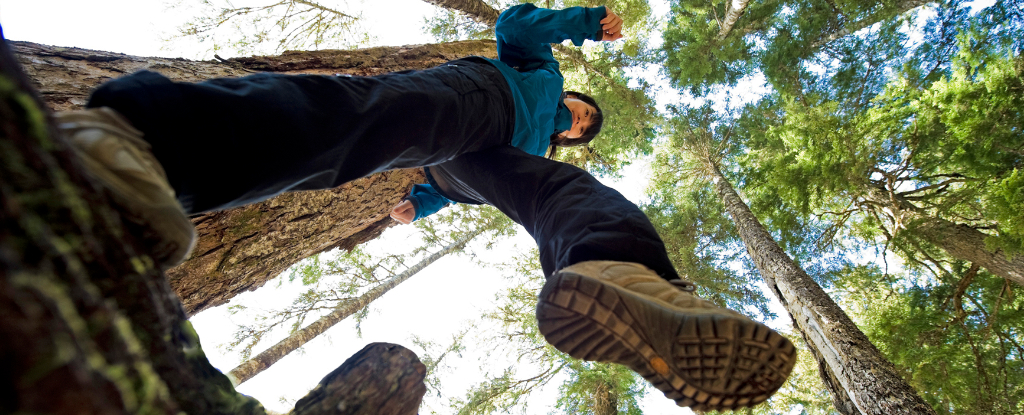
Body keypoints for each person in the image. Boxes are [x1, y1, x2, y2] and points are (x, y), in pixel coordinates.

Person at [57, 3, 796, 411]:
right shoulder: (539, 77)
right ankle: (143, 135)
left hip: (474, 160)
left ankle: (623, 271)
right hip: (482, 96)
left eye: (580, 128)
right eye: (579, 113)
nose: (576, 121)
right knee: (357, 120)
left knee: (563, 193)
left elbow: (451, 185)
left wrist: (419, 205)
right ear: (571, 96)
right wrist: (580, 20)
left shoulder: (544, 146)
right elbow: (514, 26)